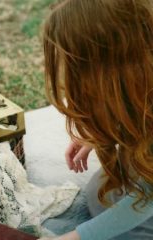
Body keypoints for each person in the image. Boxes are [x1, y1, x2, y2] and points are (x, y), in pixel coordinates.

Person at [39, 0, 153, 239]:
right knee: (100, 192)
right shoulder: (139, 83)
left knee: (127, 231)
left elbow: (147, 197)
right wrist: (101, 134)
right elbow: (134, 114)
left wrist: (78, 236)